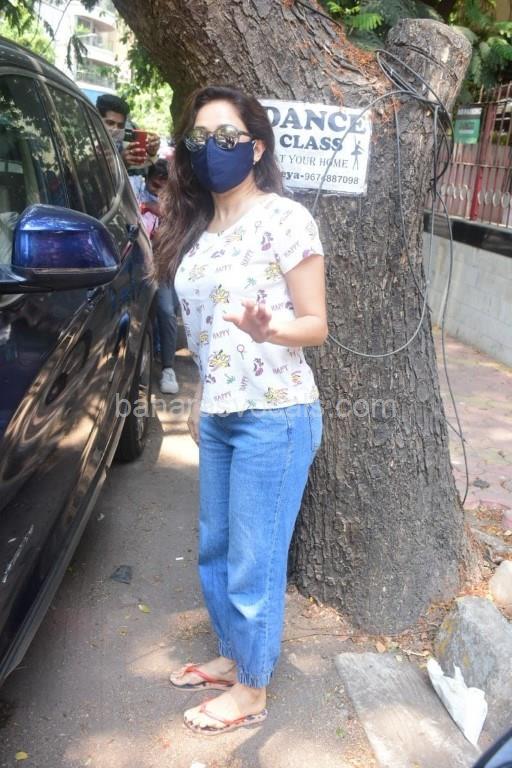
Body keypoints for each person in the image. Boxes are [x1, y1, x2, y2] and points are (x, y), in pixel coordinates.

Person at [154, 85, 327, 736]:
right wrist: (202, 397)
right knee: (217, 549)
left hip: (275, 415)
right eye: (200, 139)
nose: (213, 149)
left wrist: (270, 328)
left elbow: (316, 324)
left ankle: (252, 688)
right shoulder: (197, 234)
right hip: (223, 413)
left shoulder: (286, 218)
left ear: (255, 148)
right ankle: (233, 657)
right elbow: (202, 336)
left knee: (255, 560)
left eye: (227, 137)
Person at [132, 160, 181, 394]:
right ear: (147, 178)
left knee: (167, 311)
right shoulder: (134, 190)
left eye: (164, 184)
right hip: (134, 262)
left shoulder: (175, 200)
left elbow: (176, 218)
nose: (159, 189)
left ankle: (168, 367)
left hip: (162, 264)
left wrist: (152, 207)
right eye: (155, 183)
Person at [96, 93, 160, 169]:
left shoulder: (125, 136)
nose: (116, 129)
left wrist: (151, 152)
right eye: (110, 123)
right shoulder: (88, 140)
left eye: (120, 125)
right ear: (97, 120)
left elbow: (138, 162)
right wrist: (121, 161)